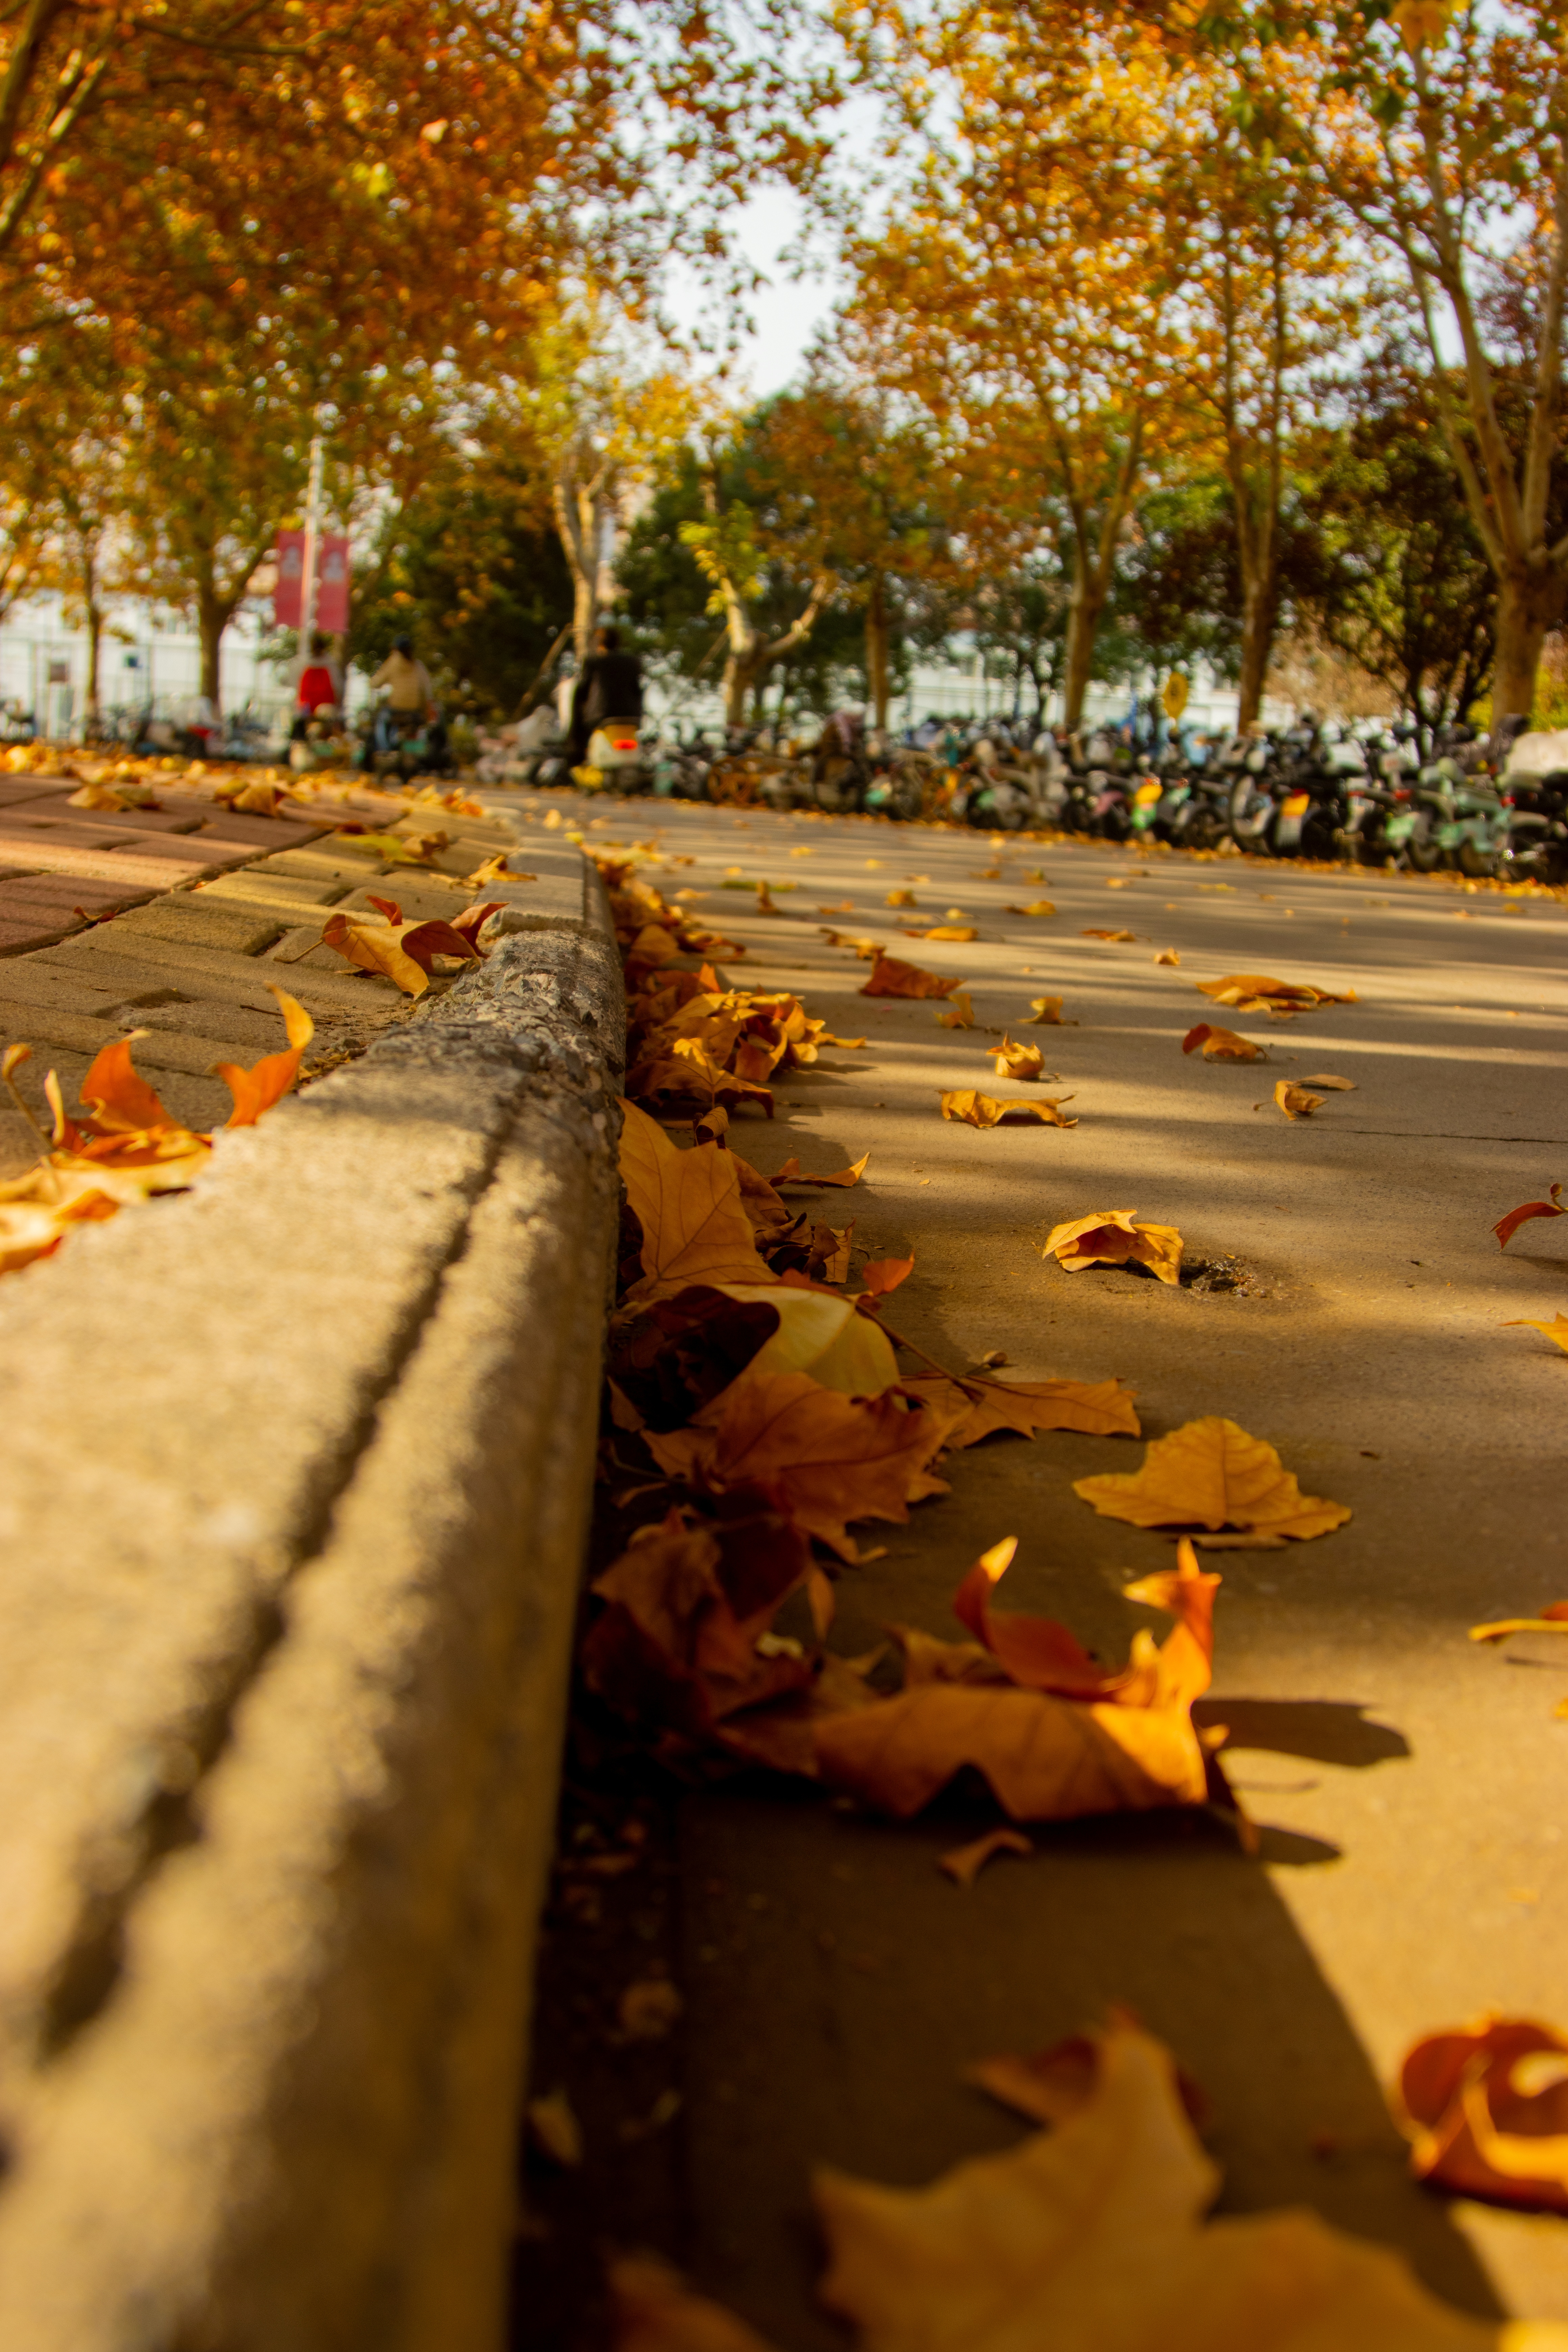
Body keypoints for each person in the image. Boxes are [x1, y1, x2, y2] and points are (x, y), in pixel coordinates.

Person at [569, 623, 643, 763]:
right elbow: (637, 692)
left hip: (600, 719)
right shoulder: (633, 663)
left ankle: (578, 759)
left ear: (600, 644)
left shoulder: (593, 663)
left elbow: (581, 694)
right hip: (631, 719)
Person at [370, 635, 435, 714]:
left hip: (397, 708)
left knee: (381, 716)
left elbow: (376, 683)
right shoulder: (419, 666)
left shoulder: (393, 662)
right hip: (415, 711)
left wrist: (370, 683)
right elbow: (428, 691)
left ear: (397, 649)